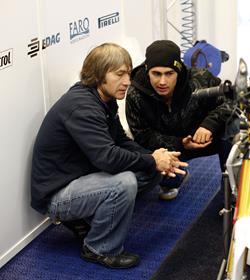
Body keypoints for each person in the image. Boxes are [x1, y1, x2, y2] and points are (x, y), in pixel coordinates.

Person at [30, 43, 187, 269]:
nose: (127, 81)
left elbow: (120, 141)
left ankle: (86, 221)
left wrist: (154, 157)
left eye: (128, 74)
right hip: (57, 196)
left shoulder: (104, 98)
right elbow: (107, 158)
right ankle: (99, 248)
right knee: (125, 182)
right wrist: (153, 159)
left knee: (148, 170)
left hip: (80, 180)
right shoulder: (82, 106)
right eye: (119, 74)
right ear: (98, 75)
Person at [125, 40, 237, 201]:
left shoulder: (200, 79)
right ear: (147, 71)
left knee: (233, 126)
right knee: (142, 169)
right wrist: (180, 143)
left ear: (178, 71)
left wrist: (209, 125)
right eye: (156, 74)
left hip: (203, 138)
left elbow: (231, 102)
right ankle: (171, 180)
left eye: (169, 73)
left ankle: (230, 187)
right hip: (170, 148)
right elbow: (143, 136)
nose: (162, 81)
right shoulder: (135, 93)